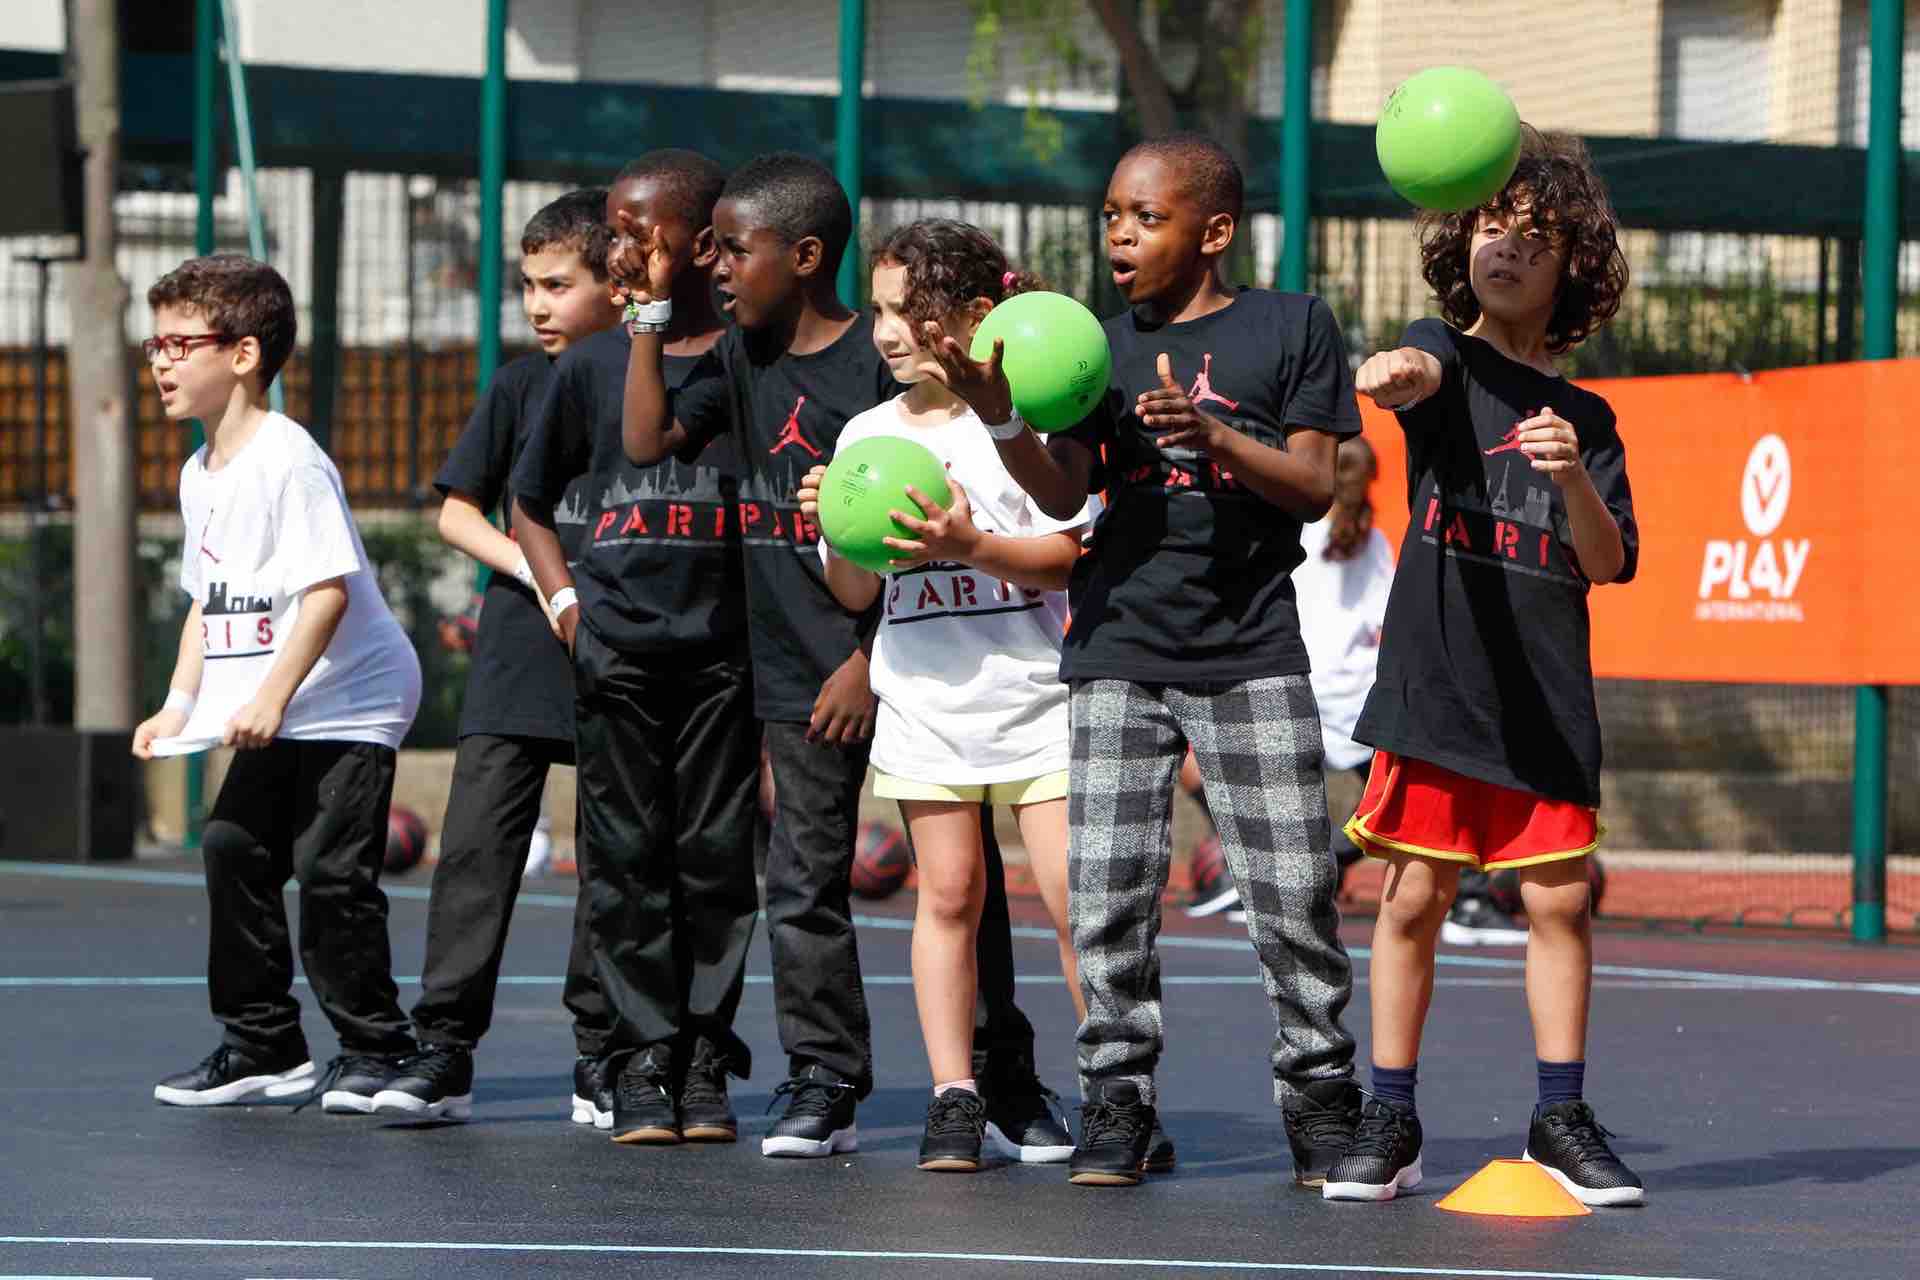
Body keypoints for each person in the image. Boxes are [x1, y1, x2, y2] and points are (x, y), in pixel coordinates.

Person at [930, 133, 1364, 1188]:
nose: (1118, 233)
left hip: (1251, 646)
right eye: (1112, 214)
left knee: (1293, 889)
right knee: (1109, 895)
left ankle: (1320, 1099)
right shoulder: (1096, 347)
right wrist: (999, 417)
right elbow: (1058, 491)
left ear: (1212, 231)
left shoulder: (1292, 324)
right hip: (1117, 646)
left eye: (1146, 216)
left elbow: (1313, 485)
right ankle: (1116, 1103)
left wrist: (1217, 439)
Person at [618, 153, 1072, 1161]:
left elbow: (932, 523)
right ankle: (824, 1076)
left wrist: (863, 658)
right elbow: (648, 442)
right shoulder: (740, 354)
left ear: (806, 254)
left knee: (967, 886)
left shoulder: (886, 368)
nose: (716, 266)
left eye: (734, 249)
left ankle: (1004, 1077)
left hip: (882, 661)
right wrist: (651, 311)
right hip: (796, 657)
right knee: (806, 876)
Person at [1323, 128, 1642, 1207]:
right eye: (1491, 228)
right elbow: (1406, 371)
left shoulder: (1587, 420)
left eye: (1534, 238)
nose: (1505, 248)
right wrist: (1389, 370)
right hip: (1439, 686)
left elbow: (1609, 563)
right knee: (1411, 896)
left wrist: (1573, 481)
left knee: (1560, 904)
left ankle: (1560, 1114)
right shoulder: (1443, 355)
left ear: (1574, 273)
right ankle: (1391, 1112)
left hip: (1545, 704)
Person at [796, 219, 1089, 1172]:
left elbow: (1060, 559)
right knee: (948, 896)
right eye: (878, 310)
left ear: (975, 316)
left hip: (1036, 696)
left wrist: (968, 545)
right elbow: (855, 591)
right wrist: (836, 531)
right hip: (926, 699)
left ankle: (1121, 1090)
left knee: (1077, 902)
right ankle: (954, 1097)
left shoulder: (1018, 421)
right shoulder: (866, 433)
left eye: (909, 312)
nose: (886, 332)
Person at [512, 151, 760, 1147]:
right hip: (615, 647)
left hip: (725, 652)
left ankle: (704, 1052)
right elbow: (529, 505)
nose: (620, 248)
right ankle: (640, 1057)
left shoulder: (752, 361)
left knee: (713, 861)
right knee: (626, 862)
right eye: (612, 229)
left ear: (701, 245)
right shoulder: (587, 365)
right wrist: (570, 610)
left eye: (635, 230)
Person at [134, 255, 422, 1112]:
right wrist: (180, 705)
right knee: (232, 848)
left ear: (245, 354)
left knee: (331, 873)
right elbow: (205, 604)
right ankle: (264, 1043)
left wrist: (271, 698)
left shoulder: (288, 458)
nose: (161, 360)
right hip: (289, 701)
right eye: (156, 342)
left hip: (354, 696)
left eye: (183, 342)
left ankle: (379, 1047)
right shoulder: (199, 474)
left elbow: (328, 592)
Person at [368, 191, 619, 1125]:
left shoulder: (660, 382)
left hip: (626, 652)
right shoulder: (518, 387)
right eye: (529, 287)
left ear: (617, 281)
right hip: (522, 643)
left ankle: (602, 1052)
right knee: (476, 849)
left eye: (560, 285)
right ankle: (442, 1050)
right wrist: (545, 577)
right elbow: (456, 511)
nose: (539, 305)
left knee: (615, 855)